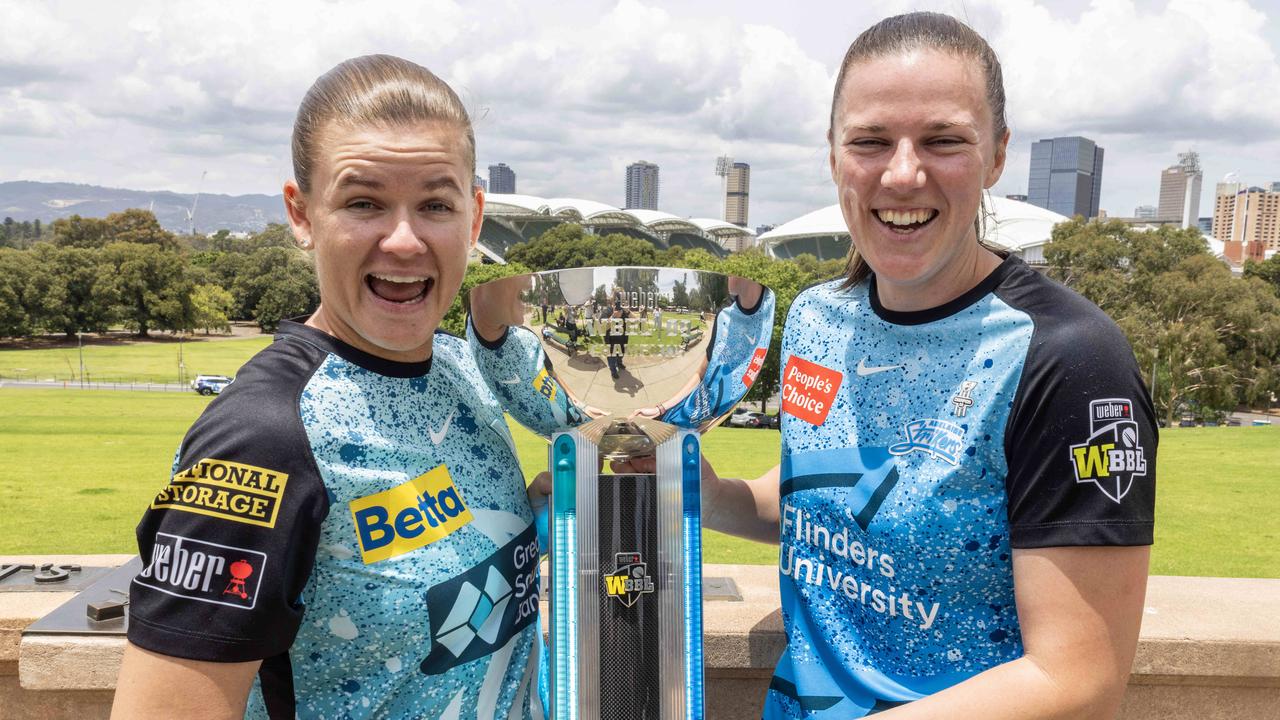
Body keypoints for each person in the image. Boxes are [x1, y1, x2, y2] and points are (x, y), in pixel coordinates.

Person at [621, 12, 1156, 719]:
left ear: (997, 156)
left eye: (943, 140)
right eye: (871, 141)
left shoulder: (1068, 359)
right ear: (835, 155)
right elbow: (822, 499)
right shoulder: (816, 317)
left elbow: (1077, 681)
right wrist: (709, 497)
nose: (903, 173)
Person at [112, 55, 543, 719]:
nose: (404, 240)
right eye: (363, 202)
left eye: (435, 204)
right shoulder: (262, 438)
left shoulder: (467, 372)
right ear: (302, 212)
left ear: (474, 218)